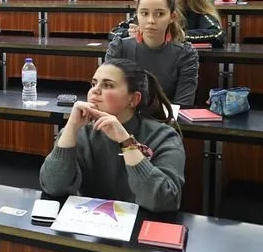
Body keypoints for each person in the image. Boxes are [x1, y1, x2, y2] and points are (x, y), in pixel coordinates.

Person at [39, 59, 185, 212]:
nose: (95, 90)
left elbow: (164, 201)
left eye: (107, 85)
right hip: (90, 218)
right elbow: (53, 187)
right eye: (93, 84)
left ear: (133, 99)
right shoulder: (80, 131)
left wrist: (126, 142)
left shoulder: (164, 137)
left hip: (141, 221)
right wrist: (71, 127)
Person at [104, 0, 199, 106]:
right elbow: (107, 93)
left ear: (172, 17)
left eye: (159, 14)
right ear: (137, 15)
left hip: (168, 116)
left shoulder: (185, 54)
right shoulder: (119, 48)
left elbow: (183, 104)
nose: (151, 20)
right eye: (144, 13)